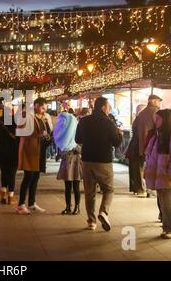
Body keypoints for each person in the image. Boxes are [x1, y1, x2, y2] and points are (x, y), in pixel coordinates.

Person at [75, 97, 123, 231]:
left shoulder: (84, 121)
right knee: (108, 189)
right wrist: (119, 134)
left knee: (90, 192)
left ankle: (91, 222)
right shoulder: (109, 123)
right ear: (103, 107)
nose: (110, 109)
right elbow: (117, 143)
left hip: (87, 160)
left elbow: (77, 139)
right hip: (103, 161)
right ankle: (103, 211)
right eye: (108, 106)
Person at [144, 109, 171, 239]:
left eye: (158, 119)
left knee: (167, 201)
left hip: (168, 176)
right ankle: (166, 227)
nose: (155, 121)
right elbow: (149, 154)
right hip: (159, 175)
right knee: (163, 202)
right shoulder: (157, 136)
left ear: (165, 120)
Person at [15, 97, 52, 215]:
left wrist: (47, 134)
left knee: (36, 177)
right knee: (28, 177)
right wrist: (39, 134)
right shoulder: (26, 115)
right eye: (42, 108)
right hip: (29, 151)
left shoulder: (43, 117)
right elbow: (20, 131)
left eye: (45, 109)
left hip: (39, 151)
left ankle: (32, 202)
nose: (43, 111)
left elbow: (48, 131)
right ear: (35, 105)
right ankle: (20, 205)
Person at [125, 95, 162, 198]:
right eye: (158, 101)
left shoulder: (142, 113)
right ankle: (150, 188)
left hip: (138, 144)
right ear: (153, 101)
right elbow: (158, 128)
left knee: (138, 167)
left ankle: (139, 188)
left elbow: (135, 128)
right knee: (150, 167)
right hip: (149, 144)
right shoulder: (155, 112)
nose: (159, 104)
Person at [54, 112, 82, 215]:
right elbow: (60, 145)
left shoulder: (77, 131)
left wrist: (75, 147)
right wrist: (60, 153)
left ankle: (77, 207)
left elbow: (82, 148)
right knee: (67, 187)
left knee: (76, 186)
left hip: (75, 161)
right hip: (66, 160)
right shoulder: (63, 132)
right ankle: (68, 207)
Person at [0, 108, 19, 205]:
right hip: (13, 152)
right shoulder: (16, 121)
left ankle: (3, 194)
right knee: (12, 174)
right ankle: (11, 197)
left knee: (4, 173)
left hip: (1, 152)